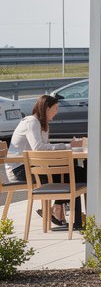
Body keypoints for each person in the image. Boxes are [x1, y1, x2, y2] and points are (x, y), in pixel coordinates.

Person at [8, 95, 85, 228]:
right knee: (77, 175)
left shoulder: (42, 125)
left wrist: (67, 147)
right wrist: (68, 146)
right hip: (20, 170)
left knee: (75, 173)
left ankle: (59, 210)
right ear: (47, 108)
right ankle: (63, 213)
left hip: (34, 167)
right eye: (55, 108)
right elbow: (38, 148)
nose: (57, 111)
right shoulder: (31, 122)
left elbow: (45, 148)